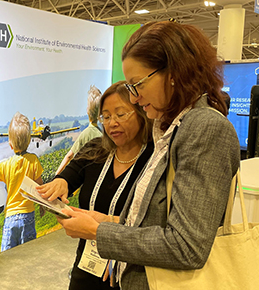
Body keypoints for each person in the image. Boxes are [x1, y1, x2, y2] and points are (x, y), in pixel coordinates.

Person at [50, 21, 241, 290]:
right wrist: (106, 221)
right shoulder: (168, 130)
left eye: (137, 84)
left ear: (174, 72)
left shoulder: (204, 129)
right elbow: (156, 221)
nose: (136, 98)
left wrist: (98, 232)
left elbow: (187, 247)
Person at [37, 81, 154, 290]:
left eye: (120, 114)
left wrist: (104, 225)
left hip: (132, 270)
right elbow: (70, 174)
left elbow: (154, 226)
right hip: (88, 264)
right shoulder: (96, 149)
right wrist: (60, 183)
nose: (112, 123)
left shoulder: (155, 159)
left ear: (141, 112)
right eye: (106, 116)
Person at [0, 112, 43, 251]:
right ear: (29, 140)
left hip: (11, 217)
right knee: (28, 255)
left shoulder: (5, 165)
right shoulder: (33, 161)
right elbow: (39, 187)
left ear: (10, 144)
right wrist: (43, 206)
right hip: (28, 216)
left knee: (6, 258)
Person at [55, 85, 103, 175]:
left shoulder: (85, 134)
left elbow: (69, 156)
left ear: (88, 111)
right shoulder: (102, 135)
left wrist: (56, 176)